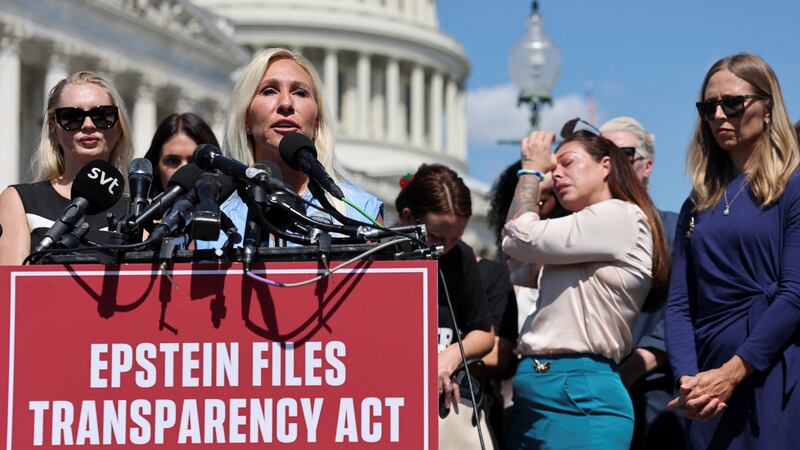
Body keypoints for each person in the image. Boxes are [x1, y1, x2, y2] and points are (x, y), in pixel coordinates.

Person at [503, 129, 671, 449]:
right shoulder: (579, 232)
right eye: (554, 169)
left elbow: (517, 239)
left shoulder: (620, 215)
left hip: (578, 389)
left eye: (568, 162)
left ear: (605, 166)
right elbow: (514, 259)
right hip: (545, 386)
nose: (558, 174)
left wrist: (530, 172)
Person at [665, 53, 800, 449]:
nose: (719, 115)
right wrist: (689, 381)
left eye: (733, 103)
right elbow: (679, 305)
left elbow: (795, 293)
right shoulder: (698, 201)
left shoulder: (793, 186)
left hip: (772, 372)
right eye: (708, 107)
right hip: (707, 392)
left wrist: (734, 371)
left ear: (768, 107)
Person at [197, 48, 382, 249]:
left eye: (300, 93)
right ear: (246, 119)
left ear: (317, 121)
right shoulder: (211, 215)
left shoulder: (361, 212)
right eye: (269, 91)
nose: (286, 104)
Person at [395, 163, 496, 449]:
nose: (445, 248)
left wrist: (449, 357)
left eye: (456, 239)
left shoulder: (461, 257)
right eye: (436, 238)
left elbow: (483, 332)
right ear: (407, 217)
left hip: (443, 408)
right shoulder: (378, 256)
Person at [600, 116, 683, 449]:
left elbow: (684, 311)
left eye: (624, 155)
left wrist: (634, 367)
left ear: (647, 166)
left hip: (654, 391)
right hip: (592, 393)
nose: (612, 165)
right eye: (602, 156)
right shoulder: (576, 234)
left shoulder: (676, 230)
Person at [0, 71, 134, 265]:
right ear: (54, 128)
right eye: (72, 117)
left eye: (102, 116)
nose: (88, 125)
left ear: (119, 128)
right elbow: (12, 286)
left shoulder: (139, 209)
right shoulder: (20, 201)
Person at [143, 112, 219, 196]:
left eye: (194, 161)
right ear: (155, 166)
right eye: (172, 161)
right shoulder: (139, 208)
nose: (184, 170)